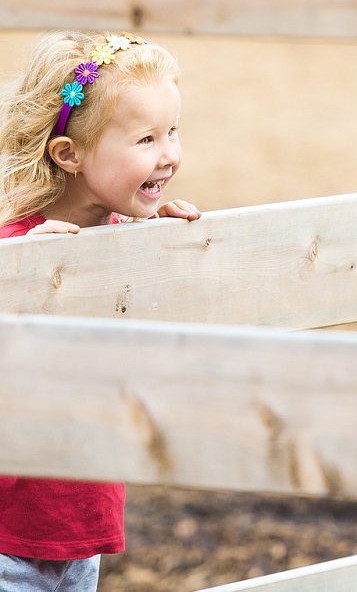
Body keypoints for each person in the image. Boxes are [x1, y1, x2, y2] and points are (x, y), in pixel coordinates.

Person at [0, 30, 201, 590]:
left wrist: (164, 260)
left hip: (83, 537)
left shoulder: (129, 243)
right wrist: (23, 280)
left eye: (174, 131)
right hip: (8, 543)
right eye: (146, 139)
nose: (170, 155)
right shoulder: (17, 248)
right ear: (70, 154)